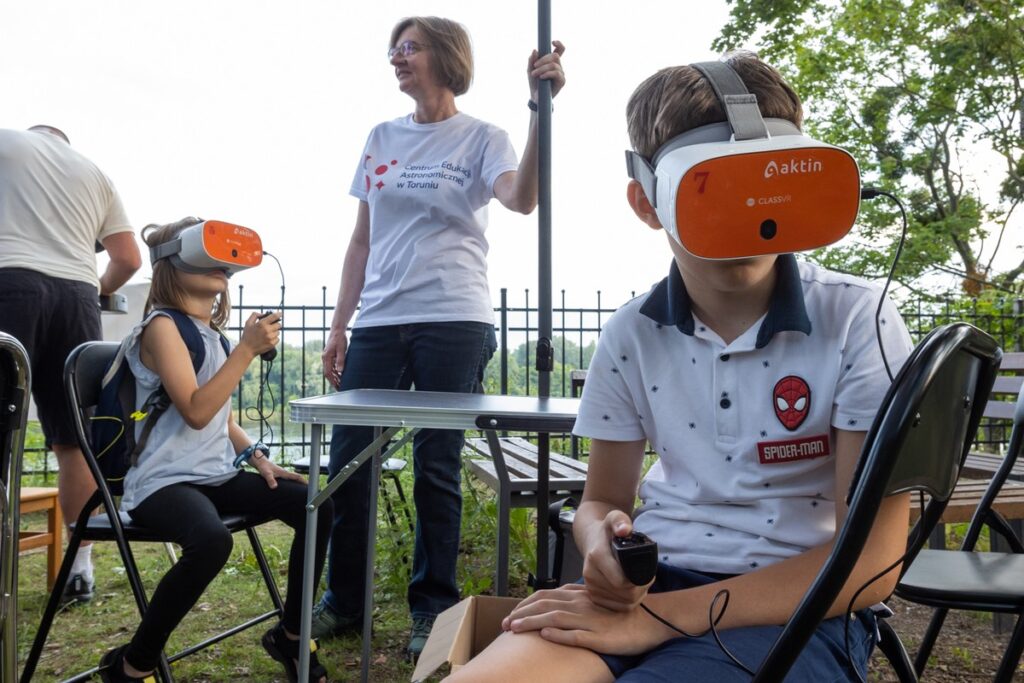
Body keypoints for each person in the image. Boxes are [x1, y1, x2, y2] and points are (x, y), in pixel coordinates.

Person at [447, 53, 915, 682]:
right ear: (647, 201)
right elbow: (601, 500)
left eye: (766, 186)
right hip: (647, 590)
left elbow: (874, 560)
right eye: (716, 191)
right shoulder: (631, 333)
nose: (750, 222)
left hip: (801, 609)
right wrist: (601, 543)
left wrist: (664, 620)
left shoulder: (859, 319)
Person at [314, 16, 566, 657]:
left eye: (411, 47)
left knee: (436, 466)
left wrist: (541, 111)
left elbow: (523, 199)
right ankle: (343, 601)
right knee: (348, 466)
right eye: (394, 48)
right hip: (378, 321)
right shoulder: (381, 137)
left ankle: (432, 608)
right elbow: (362, 239)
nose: (397, 57)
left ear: (445, 56)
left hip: (454, 318)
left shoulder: (483, 136)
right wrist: (340, 324)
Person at [97, 218, 333, 683]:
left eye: (228, 265)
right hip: (162, 483)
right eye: (209, 258)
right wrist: (245, 351)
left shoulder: (215, 338)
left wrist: (259, 458)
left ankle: (289, 635)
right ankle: (133, 665)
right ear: (173, 262)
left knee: (314, 504)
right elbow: (196, 411)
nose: (222, 269)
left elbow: (223, 420)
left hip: (214, 475)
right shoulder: (162, 327)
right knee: (210, 541)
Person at [0, 124, 142, 605]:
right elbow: (127, 258)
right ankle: (80, 569)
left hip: (9, 281)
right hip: (79, 295)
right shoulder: (95, 172)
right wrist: (96, 288)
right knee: (73, 441)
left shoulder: (6, 141)